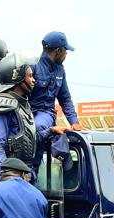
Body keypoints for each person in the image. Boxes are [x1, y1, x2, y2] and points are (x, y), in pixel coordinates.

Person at [29, 31, 83, 177]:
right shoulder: (33, 66)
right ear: (58, 51)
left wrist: (74, 121)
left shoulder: (60, 70)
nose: (66, 54)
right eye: (66, 50)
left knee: (39, 126)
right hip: (27, 112)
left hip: (45, 114)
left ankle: (33, 169)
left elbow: (65, 98)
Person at [0, 52, 38, 178]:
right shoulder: (4, 104)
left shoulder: (23, 103)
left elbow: (27, 135)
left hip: (26, 172)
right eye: (30, 76)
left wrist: (51, 131)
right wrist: (7, 175)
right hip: (13, 175)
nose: (33, 80)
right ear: (18, 77)